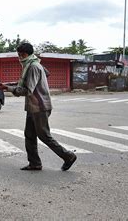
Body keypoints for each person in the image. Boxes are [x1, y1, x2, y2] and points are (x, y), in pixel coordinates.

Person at [5, 42, 77, 171]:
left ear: (25, 54)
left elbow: (27, 90)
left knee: (44, 136)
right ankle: (35, 163)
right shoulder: (33, 64)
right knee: (29, 135)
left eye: (20, 55)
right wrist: (8, 85)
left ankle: (68, 156)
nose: (19, 58)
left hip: (40, 106)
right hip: (33, 107)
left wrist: (9, 89)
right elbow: (34, 78)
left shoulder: (33, 66)